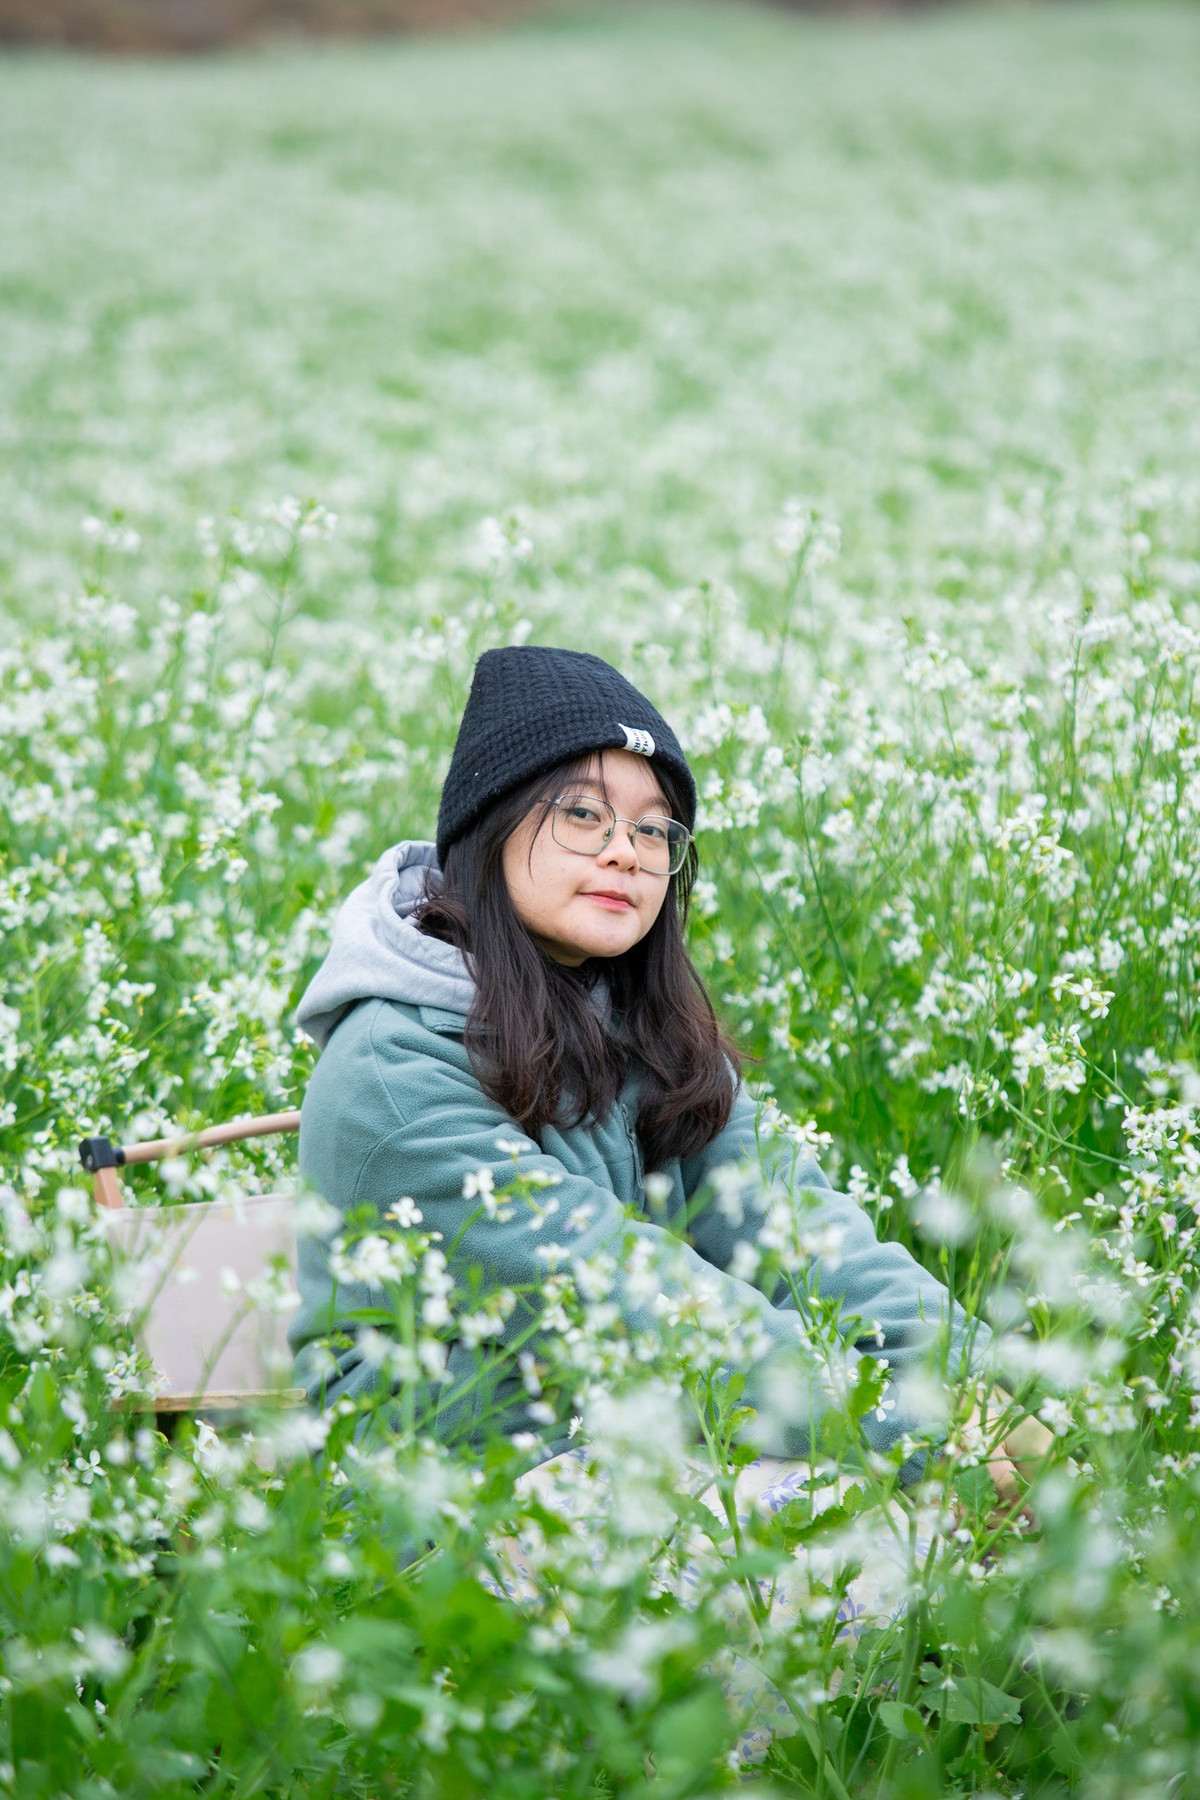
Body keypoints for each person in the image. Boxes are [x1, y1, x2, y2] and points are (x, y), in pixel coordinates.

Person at [290, 646, 1045, 1506]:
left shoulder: (641, 1029)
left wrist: (994, 1388)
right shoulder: (394, 1070)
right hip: (435, 1493)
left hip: (618, 1437)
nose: (626, 853)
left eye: (653, 830)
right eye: (583, 814)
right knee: (878, 1536)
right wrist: (926, 1427)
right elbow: (634, 1304)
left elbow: (807, 1234)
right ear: (488, 830)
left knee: (956, 1517)